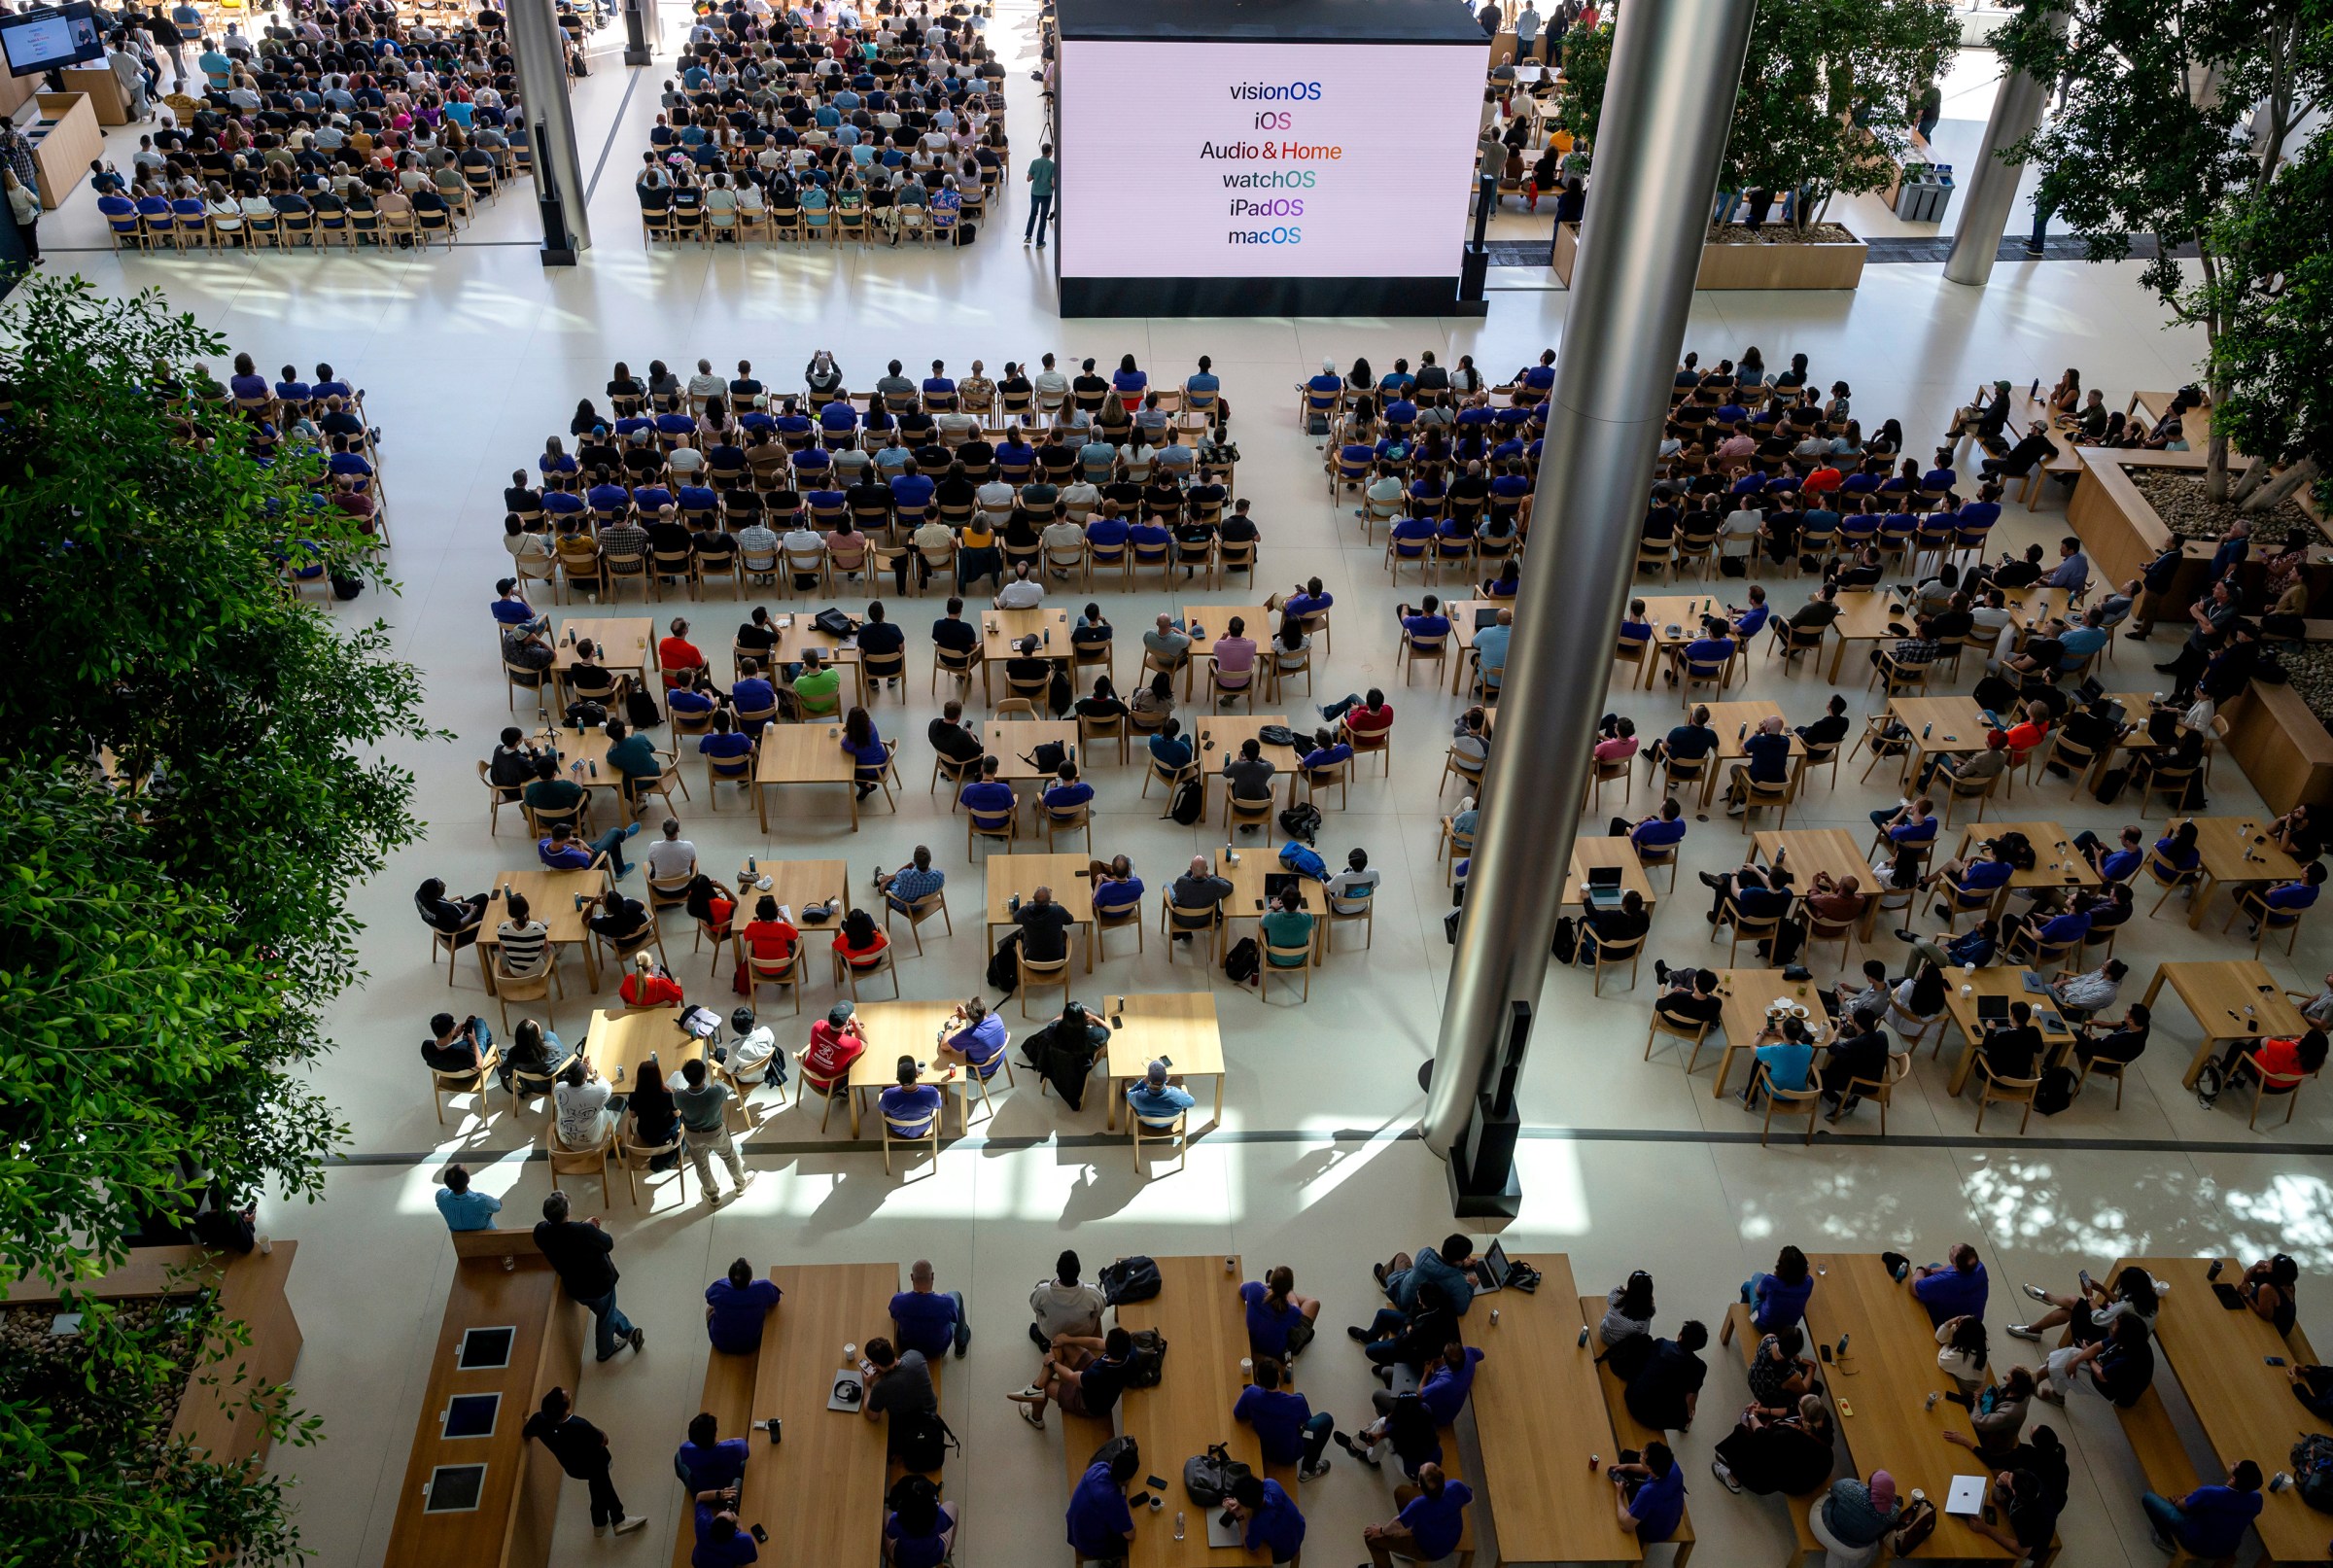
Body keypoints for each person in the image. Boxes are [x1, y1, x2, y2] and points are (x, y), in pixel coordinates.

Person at [535, 1190, 644, 1364]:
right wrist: (588, 1227)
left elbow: (564, 1235)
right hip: (598, 1283)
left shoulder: (540, 1231)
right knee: (605, 1314)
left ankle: (629, 1332)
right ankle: (605, 1350)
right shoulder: (584, 1232)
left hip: (575, 1285)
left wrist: (583, 1226)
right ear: (567, 1212)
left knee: (605, 1309)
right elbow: (608, 1243)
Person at [523, 1386, 644, 1536]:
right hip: (595, 1463)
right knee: (604, 1485)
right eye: (564, 1395)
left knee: (597, 1487)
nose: (565, 1392)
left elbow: (526, 1432)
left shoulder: (539, 1420)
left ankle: (599, 1523)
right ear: (565, 1407)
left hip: (574, 1467)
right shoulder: (579, 1425)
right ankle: (618, 1519)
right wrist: (601, 1432)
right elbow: (603, 1440)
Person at [1008, 1323, 1132, 1430]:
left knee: (1045, 1388)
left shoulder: (1097, 1374)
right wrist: (1068, 1339)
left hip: (1087, 1402)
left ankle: (1036, 1417)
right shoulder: (1126, 1354)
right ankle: (1037, 1387)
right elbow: (1096, 1342)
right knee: (1061, 1344)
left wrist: (1052, 1363)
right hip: (1093, 1379)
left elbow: (1072, 1376)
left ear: (1109, 1349)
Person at [1712, 1392, 1836, 1496]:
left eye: (1799, 1402)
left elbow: (1762, 1435)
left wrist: (1752, 1415)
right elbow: (1790, 1411)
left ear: (1802, 1413)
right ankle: (1731, 1458)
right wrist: (1766, 1411)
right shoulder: (1822, 1415)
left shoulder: (1792, 1436)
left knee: (1748, 1436)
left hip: (1798, 1482)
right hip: (1818, 1466)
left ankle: (1733, 1479)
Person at [1236, 1354, 1335, 1479]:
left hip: (1266, 1447)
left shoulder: (1250, 1393)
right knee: (1326, 1419)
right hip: (1289, 1455)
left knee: (1300, 1395)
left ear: (1258, 1379)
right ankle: (1308, 1470)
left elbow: (1238, 1413)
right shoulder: (1296, 1403)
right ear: (1278, 1375)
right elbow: (1305, 1423)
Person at [2143, 1461, 2266, 1559]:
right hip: (2228, 1548)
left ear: (2233, 1479)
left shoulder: (2209, 1493)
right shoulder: (2257, 1500)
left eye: (2235, 1465)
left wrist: (2181, 1500)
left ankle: (2166, 1540)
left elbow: (2182, 1506)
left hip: (2195, 1542)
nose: (2234, 1462)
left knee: (2148, 1498)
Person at [1360, 1462, 1473, 1568]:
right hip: (1454, 1535)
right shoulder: (1456, 1486)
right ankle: (1403, 1543)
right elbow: (1469, 1500)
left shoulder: (1419, 1505)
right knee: (1401, 1492)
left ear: (1419, 1485)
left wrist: (1380, 1530)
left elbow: (1397, 1523)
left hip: (1428, 1550)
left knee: (1371, 1539)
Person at [674, 1057, 749, 1204]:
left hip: (693, 1136)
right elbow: (725, 1097)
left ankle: (712, 1193)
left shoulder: (678, 1097)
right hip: (716, 1133)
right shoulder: (717, 1092)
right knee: (729, 1156)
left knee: (702, 1165)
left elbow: (676, 1109)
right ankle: (740, 1184)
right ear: (704, 1075)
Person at [1623, 1319, 1708, 1432]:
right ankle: (1686, 1423)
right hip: (1657, 1420)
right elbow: (1691, 1396)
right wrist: (1690, 1410)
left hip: (1633, 1399)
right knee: (1691, 1394)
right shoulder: (1699, 1368)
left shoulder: (1661, 1344)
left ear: (1680, 1335)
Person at [1064, 1439, 1139, 1564]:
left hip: (1073, 1527)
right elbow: (1130, 1535)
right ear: (1128, 1478)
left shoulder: (1099, 1467)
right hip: (1089, 1544)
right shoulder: (1114, 1500)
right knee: (1134, 1544)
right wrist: (1130, 1521)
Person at [890, 1259, 970, 1362]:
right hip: (938, 1349)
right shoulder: (946, 1303)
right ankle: (961, 1343)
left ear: (911, 1277)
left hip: (908, 1348)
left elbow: (892, 1314)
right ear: (932, 1276)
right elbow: (954, 1317)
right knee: (955, 1294)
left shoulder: (899, 1301)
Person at [1610, 1440, 1686, 1544]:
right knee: (1627, 1457)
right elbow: (1648, 1469)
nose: (1641, 1451)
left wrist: (1619, 1493)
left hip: (1655, 1531)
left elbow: (1625, 1525)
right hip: (1672, 1516)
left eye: (1643, 1454)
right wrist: (1627, 1466)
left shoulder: (1648, 1492)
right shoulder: (1672, 1465)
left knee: (1622, 1503)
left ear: (1650, 1467)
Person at [704, 1257, 782, 1354]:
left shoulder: (718, 1288)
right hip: (751, 1343)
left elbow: (709, 1299)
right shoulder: (764, 1288)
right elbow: (776, 1299)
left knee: (710, 1309)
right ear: (750, 1277)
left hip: (720, 1342)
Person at [1225, 1473, 1306, 1564]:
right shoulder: (1271, 1483)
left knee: (1254, 1557)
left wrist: (1239, 1516)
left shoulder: (1258, 1523)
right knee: (1293, 1546)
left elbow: (1250, 1548)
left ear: (1248, 1507)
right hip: (1300, 1529)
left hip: (1283, 1553)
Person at [1816, 1469, 1899, 1558]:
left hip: (1825, 1527)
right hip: (1855, 1549)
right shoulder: (1893, 1515)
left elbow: (1834, 1488)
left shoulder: (1849, 1488)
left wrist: (1858, 1484)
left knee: (1828, 1495)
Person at [435, 1164, 501, 1231]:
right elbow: (498, 1206)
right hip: (485, 1236)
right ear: (468, 1179)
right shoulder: (483, 1201)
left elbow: (444, 1191)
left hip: (460, 1239)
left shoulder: (440, 1197)